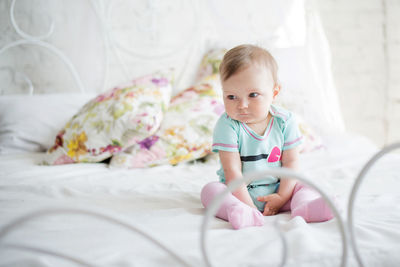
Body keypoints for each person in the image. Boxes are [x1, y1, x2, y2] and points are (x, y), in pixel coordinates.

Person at [200, 44, 334, 230]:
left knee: (306, 184)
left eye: (253, 95)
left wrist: (281, 198)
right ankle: (238, 212)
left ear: (274, 93)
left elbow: (291, 163)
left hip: (280, 191)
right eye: (231, 97)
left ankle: (305, 209)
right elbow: (232, 173)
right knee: (210, 191)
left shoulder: (284, 121)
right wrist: (250, 206)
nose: (242, 105)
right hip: (239, 193)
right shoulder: (228, 125)